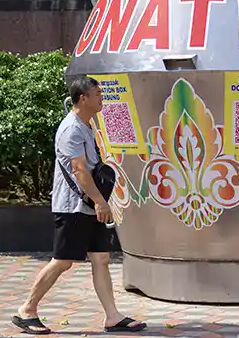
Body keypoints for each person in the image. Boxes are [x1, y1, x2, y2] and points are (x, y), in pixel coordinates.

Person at [12, 75, 146, 335]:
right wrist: (100, 202)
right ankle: (26, 310)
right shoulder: (72, 128)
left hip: (89, 205)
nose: (101, 99)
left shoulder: (86, 125)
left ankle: (112, 316)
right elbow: (79, 170)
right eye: (97, 94)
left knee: (101, 258)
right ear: (82, 98)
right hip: (74, 207)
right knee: (63, 261)